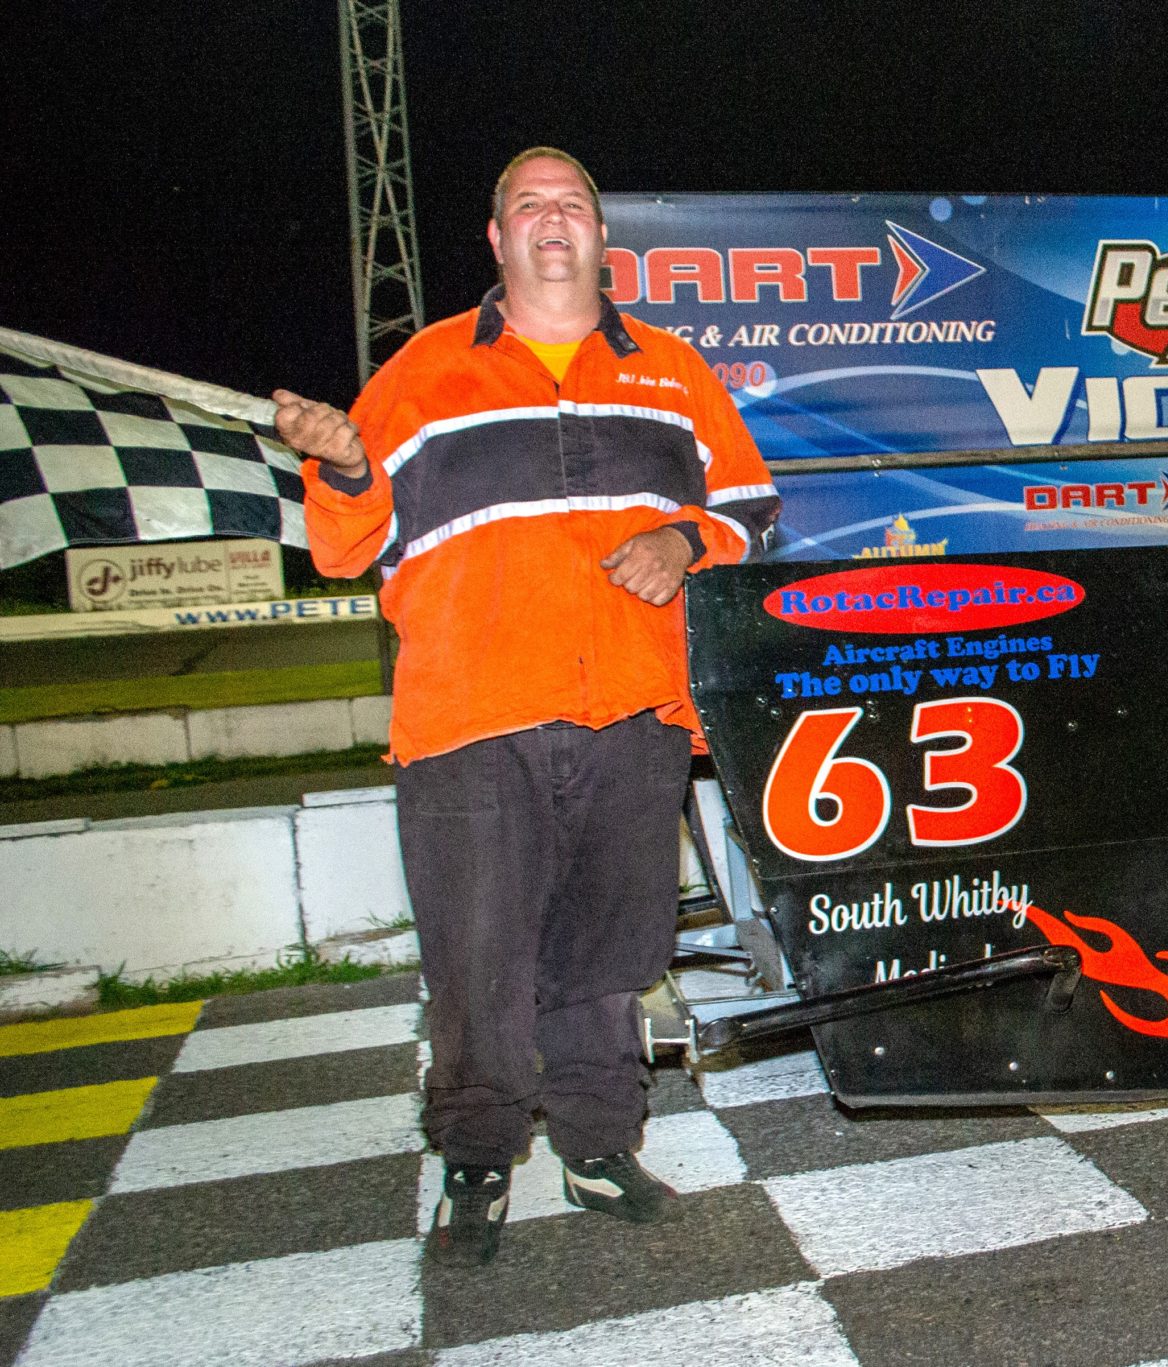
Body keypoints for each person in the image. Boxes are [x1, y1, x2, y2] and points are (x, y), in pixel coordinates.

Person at [272, 147, 779, 1267]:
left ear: (600, 234)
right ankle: (477, 1156)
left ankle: (599, 1144)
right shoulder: (423, 369)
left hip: (633, 712)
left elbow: (751, 510)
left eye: (573, 203)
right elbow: (346, 544)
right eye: (528, 205)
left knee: (610, 949)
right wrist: (346, 464)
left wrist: (682, 537)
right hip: (470, 716)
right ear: (498, 239)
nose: (554, 219)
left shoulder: (672, 371)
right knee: (477, 955)